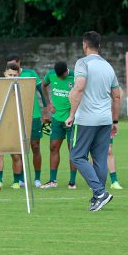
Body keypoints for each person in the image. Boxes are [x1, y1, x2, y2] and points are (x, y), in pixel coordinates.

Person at [66, 31, 121, 211]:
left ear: (84, 45)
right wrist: (115, 121)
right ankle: (98, 198)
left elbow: (79, 87)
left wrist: (71, 114)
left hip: (86, 119)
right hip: (105, 120)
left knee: (77, 156)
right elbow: (117, 95)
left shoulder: (82, 63)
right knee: (99, 159)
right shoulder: (108, 66)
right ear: (99, 46)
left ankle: (100, 192)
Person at [6, 54, 49, 188]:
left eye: (14, 64)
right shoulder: (8, 76)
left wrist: (46, 109)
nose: (12, 66)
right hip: (16, 116)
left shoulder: (30, 74)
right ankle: (21, 179)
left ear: (19, 62)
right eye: (9, 65)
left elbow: (41, 90)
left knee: (35, 146)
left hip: (33, 115)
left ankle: (37, 178)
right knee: (19, 148)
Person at [41, 61, 78, 189]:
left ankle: (72, 182)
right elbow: (43, 85)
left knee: (72, 150)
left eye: (61, 76)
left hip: (71, 119)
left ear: (66, 71)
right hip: (56, 118)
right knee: (53, 147)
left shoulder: (75, 76)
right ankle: (52, 180)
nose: (60, 78)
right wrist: (48, 104)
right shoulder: (51, 74)